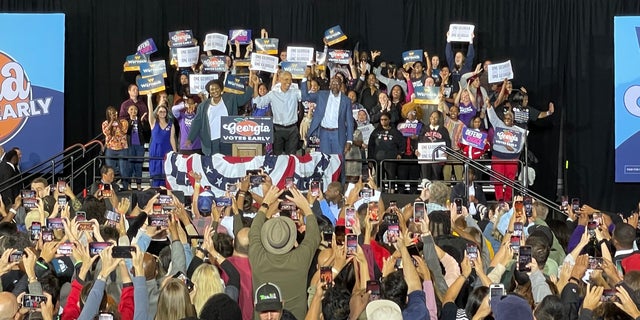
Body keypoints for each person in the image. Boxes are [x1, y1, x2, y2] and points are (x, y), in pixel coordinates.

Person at [249, 187, 320, 320]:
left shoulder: (257, 258)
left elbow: (253, 233)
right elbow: (314, 237)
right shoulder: (300, 260)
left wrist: (265, 204)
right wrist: (306, 207)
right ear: (291, 239)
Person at [187, 79, 254, 156]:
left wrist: (251, 86)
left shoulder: (230, 98)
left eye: (217, 88)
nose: (215, 91)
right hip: (211, 141)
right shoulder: (203, 106)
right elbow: (197, 122)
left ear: (221, 89)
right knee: (214, 166)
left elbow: (243, 99)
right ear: (209, 92)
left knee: (228, 164)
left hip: (227, 140)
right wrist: (190, 138)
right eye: (212, 89)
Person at [251, 71, 301, 155]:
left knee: (291, 158)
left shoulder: (296, 92)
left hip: (292, 129)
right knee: (277, 158)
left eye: (290, 79)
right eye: (286, 79)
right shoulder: (273, 94)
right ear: (280, 79)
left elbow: (307, 96)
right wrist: (256, 85)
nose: (289, 82)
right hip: (278, 130)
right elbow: (259, 103)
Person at [301, 75, 354, 156]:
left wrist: (349, 140)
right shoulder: (321, 95)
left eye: (337, 83)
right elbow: (305, 97)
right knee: (324, 161)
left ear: (340, 85)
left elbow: (350, 122)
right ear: (329, 85)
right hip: (323, 133)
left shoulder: (346, 100)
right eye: (333, 83)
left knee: (338, 161)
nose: (335, 85)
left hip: (338, 134)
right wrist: (304, 78)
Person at [486, 98, 526, 201]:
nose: (507, 119)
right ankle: (499, 199)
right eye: (505, 118)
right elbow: (492, 117)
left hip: (512, 158)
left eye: (509, 118)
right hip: (498, 156)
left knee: (510, 180)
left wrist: (512, 149)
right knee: (498, 179)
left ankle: (507, 200)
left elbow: (520, 146)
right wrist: (489, 106)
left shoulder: (518, 131)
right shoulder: (498, 124)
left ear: (512, 120)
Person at [368, 112, 405, 191]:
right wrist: (370, 158)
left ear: (389, 120)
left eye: (385, 119)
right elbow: (370, 145)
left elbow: (402, 144)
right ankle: (379, 194)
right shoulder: (375, 132)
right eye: (381, 120)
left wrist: (400, 153)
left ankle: (391, 193)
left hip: (391, 159)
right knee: (378, 178)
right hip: (377, 160)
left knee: (391, 177)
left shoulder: (395, 132)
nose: (383, 121)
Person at [147, 95, 177, 187]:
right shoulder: (153, 122)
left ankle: (166, 192)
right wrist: (149, 97)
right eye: (160, 111)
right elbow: (150, 110)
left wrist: (175, 152)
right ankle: (155, 191)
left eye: (164, 111)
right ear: (157, 113)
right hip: (155, 151)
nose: (162, 113)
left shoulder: (171, 125)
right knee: (155, 172)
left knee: (166, 172)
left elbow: (172, 139)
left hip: (166, 150)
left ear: (166, 113)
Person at [416, 111, 451, 181]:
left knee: (436, 177)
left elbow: (448, 143)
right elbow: (419, 141)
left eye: (435, 117)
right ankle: (426, 191)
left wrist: (447, 152)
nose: (433, 119)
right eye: (432, 117)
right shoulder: (424, 128)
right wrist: (416, 150)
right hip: (425, 158)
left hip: (438, 159)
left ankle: (435, 191)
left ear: (439, 119)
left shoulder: (443, 130)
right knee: (425, 178)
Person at [102, 106, 130, 189]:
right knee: (110, 170)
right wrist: (111, 122)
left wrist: (117, 121)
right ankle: (112, 188)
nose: (112, 115)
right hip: (110, 149)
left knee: (123, 170)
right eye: (110, 114)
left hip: (122, 149)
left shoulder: (124, 122)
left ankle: (125, 187)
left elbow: (123, 131)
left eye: (114, 113)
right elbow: (106, 132)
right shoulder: (105, 123)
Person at [126, 103, 150, 190]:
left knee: (139, 166)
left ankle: (139, 185)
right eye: (131, 110)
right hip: (130, 146)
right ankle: (129, 185)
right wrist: (131, 122)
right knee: (130, 166)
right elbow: (127, 131)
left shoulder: (140, 120)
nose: (133, 111)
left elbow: (146, 130)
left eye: (135, 109)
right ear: (128, 111)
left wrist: (143, 122)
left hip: (139, 145)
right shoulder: (126, 122)